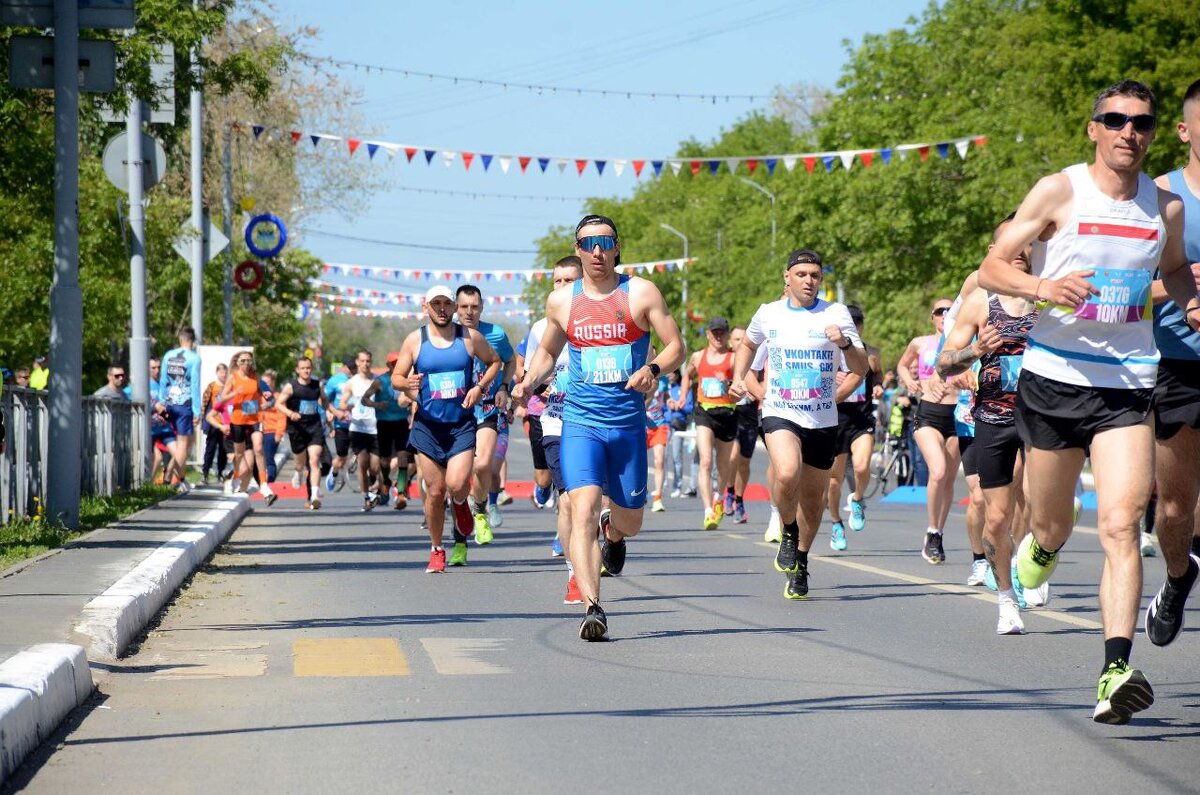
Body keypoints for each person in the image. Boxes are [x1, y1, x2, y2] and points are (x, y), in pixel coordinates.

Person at [979, 80, 1200, 724]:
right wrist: (1044, 286)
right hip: (1052, 379)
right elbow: (994, 267)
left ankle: (1115, 669)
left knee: (1120, 522)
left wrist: (1189, 297)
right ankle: (1041, 550)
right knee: (1049, 523)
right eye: (1116, 120)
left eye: (1142, 123)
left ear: (1153, 134)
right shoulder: (1059, 190)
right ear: (1093, 128)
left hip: (1127, 383)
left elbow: (1178, 267)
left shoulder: (1165, 206)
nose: (1129, 132)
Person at [515, 214, 685, 640]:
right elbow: (548, 352)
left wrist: (653, 368)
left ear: (616, 247)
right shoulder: (562, 302)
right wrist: (529, 381)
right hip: (581, 421)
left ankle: (615, 535)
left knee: (630, 521)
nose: (596, 251)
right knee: (581, 508)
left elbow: (677, 346)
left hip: (627, 424)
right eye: (587, 242)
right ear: (577, 249)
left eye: (604, 242)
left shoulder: (640, 292)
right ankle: (593, 607)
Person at [731, 248, 867, 600]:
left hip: (822, 418)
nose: (809, 281)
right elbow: (747, 344)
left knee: (813, 499)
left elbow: (861, 367)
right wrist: (738, 376)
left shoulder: (836, 313)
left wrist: (845, 343)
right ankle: (787, 530)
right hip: (780, 410)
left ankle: (802, 561)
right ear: (787, 277)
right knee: (787, 472)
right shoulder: (769, 313)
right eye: (802, 274)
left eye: (815, 276)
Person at [940, 215, 1040, 634]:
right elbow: (945, 361)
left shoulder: (1051, 296)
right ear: (995, 251)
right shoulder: (982, 300)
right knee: (996, 518)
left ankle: (1036, 557)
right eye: (1010, 243)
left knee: (1042, 500)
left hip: (1044, 417)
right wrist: (976, 350)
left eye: (1026, 243)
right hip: (993, 418)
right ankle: (1006, 598)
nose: (1019, 250)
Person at [1144, 78, 1200, 650]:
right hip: (1179, 365)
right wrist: (1179, 289)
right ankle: (1179, 577)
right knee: (1177, 505)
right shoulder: (1159, 197)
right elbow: (1120, 289)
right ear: (1184, 130)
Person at [393, 285, 501, 573]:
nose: (441, 309)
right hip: (427, 426)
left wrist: (479, 388)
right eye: (435, 303)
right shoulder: (415, 340)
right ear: (425, 306)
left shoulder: (469, 338)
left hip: (461, 424)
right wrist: (407, 384)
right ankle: (437, 548)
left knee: (455, 484)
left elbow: (495, 362)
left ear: (453, 307)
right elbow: (396, 377)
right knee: (435, 490)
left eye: (446, 304)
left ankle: (461, 502)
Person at [523, 255, 583, 580]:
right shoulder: (540, 328)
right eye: (557, 281)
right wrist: (534, 386)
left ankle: (603, 543)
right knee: (570, 501)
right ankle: (575, 574)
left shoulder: (600, 322)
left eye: (569, 281)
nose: (561, 287)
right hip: (556, 421)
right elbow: (531, 370)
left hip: (596, 422)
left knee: (589, 503)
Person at [897, 298, 960, 564]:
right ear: (932, 316)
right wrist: (911, 381)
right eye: (939, 311)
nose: (945, 314)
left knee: (948, 481)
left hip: (957, 415)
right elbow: (902, 364)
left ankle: (938, 532)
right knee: (939, 471)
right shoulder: (920, 343)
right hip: (929, 414)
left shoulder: (965, 340)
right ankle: (932, 530)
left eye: (950, 310)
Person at [455, 285, 515, 540]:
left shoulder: (496, 334)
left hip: (488, 406)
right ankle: (459, 532)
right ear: (456, 308)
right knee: (456, 478)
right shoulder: (448, 336)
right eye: (464, 307)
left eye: (474, 307)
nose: (469, 312)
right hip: (455, 410)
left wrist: (504, 386)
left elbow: (510, 361)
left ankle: (479, 509)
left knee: (482, 465)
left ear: (482, 307)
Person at [825, 305, 883, 550]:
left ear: (861, 325)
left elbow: (877, 374)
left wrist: (879, 386)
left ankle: (857, 499)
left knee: (861, 467)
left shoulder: (870, 353)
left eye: (858, 322)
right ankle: (836, 523)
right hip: (835, 418)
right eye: (850, 322)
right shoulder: (829, 352)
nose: (855, 326)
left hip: (861, 418)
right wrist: (831, 378)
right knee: (834, 479)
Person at [680, 316, 738, 530]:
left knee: (724, 465)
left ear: (727, 334)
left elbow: (741, 384)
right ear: (708, 334)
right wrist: (682, 397)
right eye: (715, 332)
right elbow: (687, 375)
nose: (718, 336)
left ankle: (718, 498)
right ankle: (707, 510)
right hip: (704, 411)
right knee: (705, 460)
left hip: (728, 413)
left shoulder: (733, 358)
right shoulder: (697, 356)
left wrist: (729, 382)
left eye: (722, 332)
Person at [217, 350, 277, 505]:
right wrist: (235, 393)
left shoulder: (255, 376)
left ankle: (264, 485)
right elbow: (222, 399)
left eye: (249, 361)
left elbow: (266, 393)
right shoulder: (233, 377)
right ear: (238, 363)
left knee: (258, 447)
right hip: (238, 419)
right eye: (243, 361)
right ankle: (235, 475)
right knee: (239, 454)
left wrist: (266, 398)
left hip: (254, 417)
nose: (246, 364)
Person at [277, 356, 328, 510]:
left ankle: (314, 496)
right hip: (297, 429)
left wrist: (327, 411)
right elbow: (279, 403)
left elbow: (323, 400)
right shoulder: (291, 387)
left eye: (308, 368)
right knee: (300, 462)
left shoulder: (317, 385)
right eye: (303, 368)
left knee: (314, 459)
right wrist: (290, 413)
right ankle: (298, 472)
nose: (306, 370)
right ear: (297, 370)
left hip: (314, 427)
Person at [158, 327, 202, 494]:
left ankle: (168, 476)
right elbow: (195, 385)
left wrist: (162, 402)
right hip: (185, 404)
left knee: (187, 442)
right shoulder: (194, 359)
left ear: (180, 339)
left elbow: (163, 379)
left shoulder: (168, 355)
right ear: (193, 341)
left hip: (168, 404)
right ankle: (181, 481)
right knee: (183, 444)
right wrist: (197, 411)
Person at [341, 349, 385, 511]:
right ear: (358, 363)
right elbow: (343, 402)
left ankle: (375, 488)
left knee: (375, 466)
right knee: (363, 463)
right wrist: (346, 407)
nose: (366, 364)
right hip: (358, 428)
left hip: (375, 427)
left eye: (368, 361)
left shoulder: (378, 381)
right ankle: (366, 496)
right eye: (363, 361)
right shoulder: (352, 382)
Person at [728, 325, 758, 524]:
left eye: (743, 339)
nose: (740, 343)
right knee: (732, 456)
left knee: (744, 463)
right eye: (736, 339)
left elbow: (762, 388)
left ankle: (739, 499)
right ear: (731, 342)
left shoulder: (755, 362)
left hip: (750, 417)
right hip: (730, 416)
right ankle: (729, 492)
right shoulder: (724, 361)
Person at [376, 351, 413, 510]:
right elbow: (365, 399)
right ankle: (386, 482)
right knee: (384, 460)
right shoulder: (380, 381)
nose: (396, 365)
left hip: (401, 424)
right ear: (388, 365)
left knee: (403, 457)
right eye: (393, 363)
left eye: (399, 362)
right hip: (384, 424)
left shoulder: (407, 379)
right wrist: (377, 405)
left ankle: (401, 492)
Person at [323, 358, 354, 492]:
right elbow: (324, 399)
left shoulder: (361, 379)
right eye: (350, 368)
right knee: (341, 457)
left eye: (355, 368)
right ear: (344, 367)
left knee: (365, 454)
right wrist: (334, 413)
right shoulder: (335, 380)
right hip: (341, 424)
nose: (352, 371)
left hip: (359, 425)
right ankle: (334, 472)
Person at [664, 369, 695, 498]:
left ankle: (677, 485)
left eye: (670, 373)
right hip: (666, 424)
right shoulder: (665, 388)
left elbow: (689, 408)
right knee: (663, 456)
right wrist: (668, 408)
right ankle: (664, 482)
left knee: (677, 456)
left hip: (678, 425)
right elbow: (661, 407)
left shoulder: (683, 389)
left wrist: (677, 406)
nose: (668, 376)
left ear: (676, 375)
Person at [201, 364, 228, 484]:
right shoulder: (212, 386)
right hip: (213, 422)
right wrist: (202, 418)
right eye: (221, 372)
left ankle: (220, 472)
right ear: (217, 373)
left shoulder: (229, 387)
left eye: (225, 372)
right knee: (210, 449)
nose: (223, 375)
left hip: (225, 423)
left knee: (223, 449)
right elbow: (204, 402)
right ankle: (205, 472)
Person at [259, 370, 287, 485]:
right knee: (261, 458)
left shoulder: (278, 398)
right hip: (259, 431)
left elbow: (282, 417)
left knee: (269, 458)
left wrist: (279, 434)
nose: (265, 385)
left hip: (271, 432)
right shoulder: (258, 397)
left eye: (268, 383)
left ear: (273, 383)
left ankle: (270, 482)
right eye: (263, 383)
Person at [645, 376, 669, 512]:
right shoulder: (637, 373)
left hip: (658, 424)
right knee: (639, 461)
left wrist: (670, 401)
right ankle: (641, 489)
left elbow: (666, 396)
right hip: (641, 423)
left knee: (659, 460)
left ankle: (658, 498)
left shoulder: (663, 379)